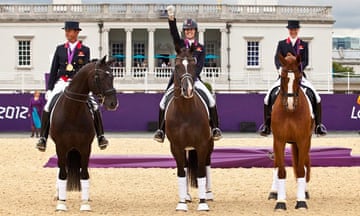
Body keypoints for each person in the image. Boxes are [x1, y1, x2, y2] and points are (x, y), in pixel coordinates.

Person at [36, 21, 109, 152]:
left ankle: (101, 136)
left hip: (78, 84)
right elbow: (54, 70)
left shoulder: (84, 50)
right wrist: (49, 88)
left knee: (95, 106)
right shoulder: (60, 49)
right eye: (66, 31)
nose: (67, 33)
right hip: (63, 81)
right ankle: (43, 138)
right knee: (48, 106)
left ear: (76, 32)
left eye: (70, 31)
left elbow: (87, 70)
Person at [153, 5, 222, 143]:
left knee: (210, 99)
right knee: (163, 102)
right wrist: (171, 19)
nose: (189, 32)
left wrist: (191, 79)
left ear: (195, 31)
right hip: (179, 81)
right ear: (184, 32)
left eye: (191, 30)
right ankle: (161, 130)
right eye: (186, 30)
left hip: (194, 79)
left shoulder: (200, 48)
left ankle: (215, 128)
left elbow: (200, 65)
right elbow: (173, 33)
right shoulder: (180, 45)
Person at [259, 20, 327, 136]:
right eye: (291, 30)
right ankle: (267, 125)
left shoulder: (303, 44)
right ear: (289, 31)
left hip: (298, 76)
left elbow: (305, 60)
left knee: (317, 97)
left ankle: (319, 125)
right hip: (284, 76)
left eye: (295, 30)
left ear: (298, 30)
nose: (293, 31)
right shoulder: (282, 44)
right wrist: (280, 69)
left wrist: (297, 69)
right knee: (267, 97)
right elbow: (277, 58)